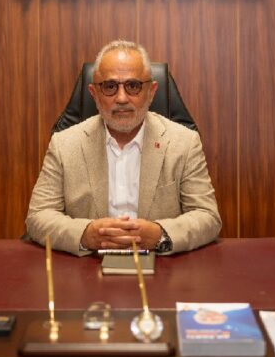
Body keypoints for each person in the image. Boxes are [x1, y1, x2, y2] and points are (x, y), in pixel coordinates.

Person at [23, 40, 221, 256]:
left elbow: (207, 216)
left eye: (133, 86)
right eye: (110, 87)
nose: (121, 98)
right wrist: (85, 234)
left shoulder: (184, 142)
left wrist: (159, 234)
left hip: (161, 271)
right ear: (94, 93)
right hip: (88, 270)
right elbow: (38, 216)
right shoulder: (64, 144)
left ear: (152, 91)